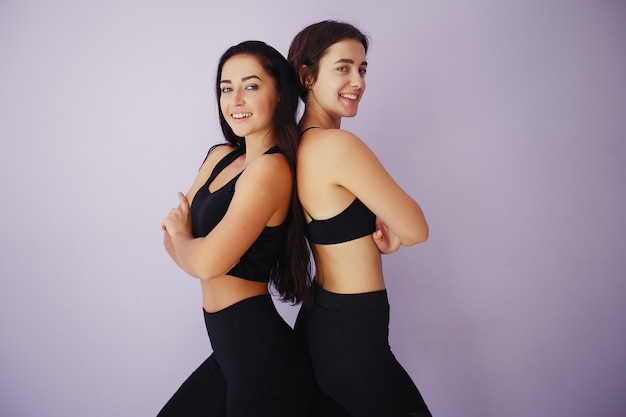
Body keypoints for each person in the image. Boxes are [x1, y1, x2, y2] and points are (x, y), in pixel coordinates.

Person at [158, 40, 312, 417]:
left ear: (280, 93)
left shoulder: (271, 170)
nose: (235, 100)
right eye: (227, 88)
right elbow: (173, 239)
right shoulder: (220, 157)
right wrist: (193, 251)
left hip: (261, 360)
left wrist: (185, 239)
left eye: (251, 86)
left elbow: (200, 258)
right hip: (229, 355)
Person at [288, 21, 433, 417]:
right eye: (343, 67)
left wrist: (392, 234)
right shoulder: (337, 145)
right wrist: (399, 234)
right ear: (307, 75)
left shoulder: (296, 145)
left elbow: (357, 228)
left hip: (324, 324)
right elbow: (416, 228)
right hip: (351, 333)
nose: (358, 81)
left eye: (363, 69)